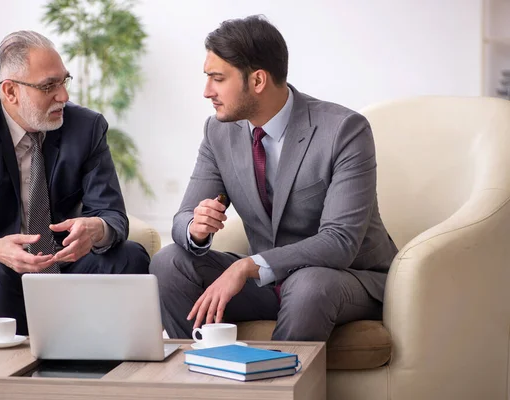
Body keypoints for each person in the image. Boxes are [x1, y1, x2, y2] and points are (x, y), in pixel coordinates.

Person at [150, 16, 398, 341]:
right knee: (169, 262)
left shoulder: (344, 131)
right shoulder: (218, 131)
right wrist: (196, 229)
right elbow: (183, 218)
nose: (206, 91)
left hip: (343, 278)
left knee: (308, 284)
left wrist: (247, 266)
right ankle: (200, 379)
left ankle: (274, 390)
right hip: (267, 284)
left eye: (217, 78)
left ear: (257, 80)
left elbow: (340, 242)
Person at [0, 31, 149, 335]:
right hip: (1, 268)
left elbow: (112, 214)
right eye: (49, 86)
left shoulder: (86, 127)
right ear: (10, 91)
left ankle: (113, 368)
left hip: (66, 262)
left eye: (64, 81)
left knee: (130, 256)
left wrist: (97, 229)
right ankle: (20, 378)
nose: (63, 95)